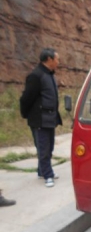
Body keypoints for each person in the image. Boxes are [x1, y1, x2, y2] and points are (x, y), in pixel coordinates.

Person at [20, 48, 62, 188]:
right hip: (40, 118)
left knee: (48, 147)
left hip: (50, 117)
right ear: (49, 60)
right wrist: (28, 115)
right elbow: (26, 99)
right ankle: (48, 175)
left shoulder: (50, 75)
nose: (58, 62)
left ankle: (42, 170)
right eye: (57, 59)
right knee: (43, 148)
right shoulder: (36, 76)